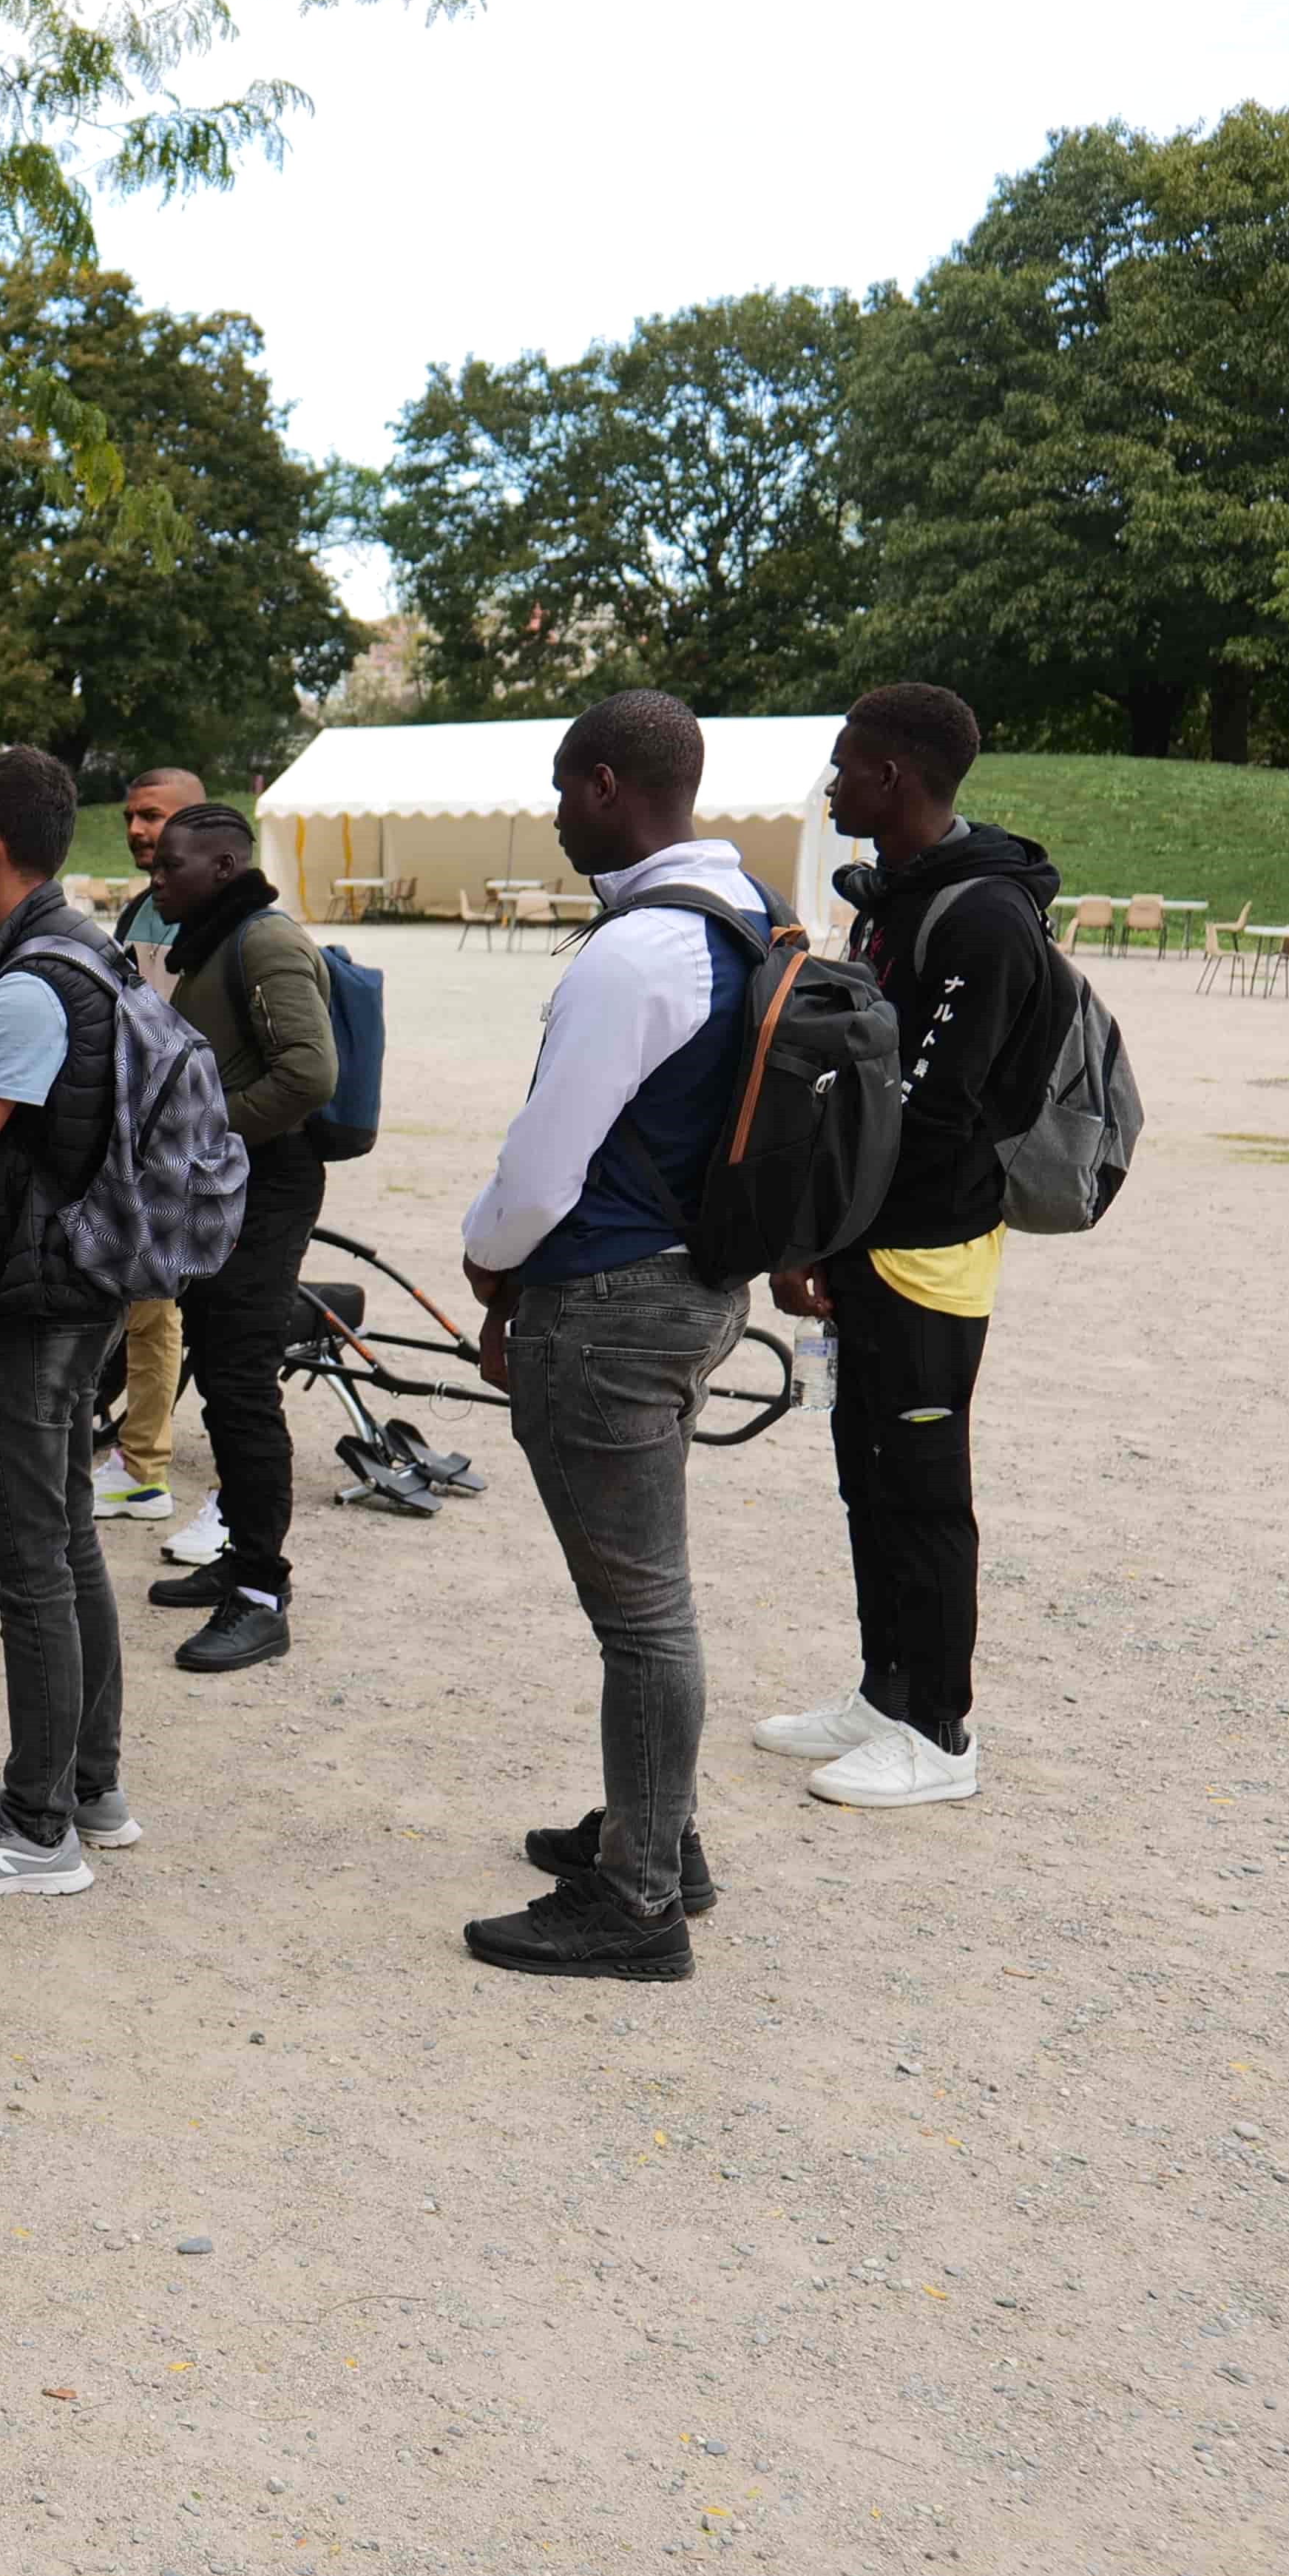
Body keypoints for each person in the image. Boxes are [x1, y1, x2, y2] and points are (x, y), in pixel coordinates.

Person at [455, 691, 770, 1984]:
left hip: (611, 1300)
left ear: (601, 785)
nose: (548, 812)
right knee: (649, 1602)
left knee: (643, 1617)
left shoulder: (638, 951)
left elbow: (543, 1173)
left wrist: (488, 1267)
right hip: (696, 1285)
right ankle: (659, 1832)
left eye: (557, 787)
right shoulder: (747, 915)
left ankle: (641, 1903)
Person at [0, 746, 205, 1895]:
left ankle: (37, 1829)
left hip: (25, 1304)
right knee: (68, 1539)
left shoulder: (28, 984)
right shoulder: (79, 949)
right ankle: (89, 1785)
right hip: (75, 1286)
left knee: (30, 1562)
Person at [759, 683, 1064, 1813]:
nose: (833, 785)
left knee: (925, 1492)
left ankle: (940, 1733)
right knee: (867, 1477)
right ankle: (885, 1692)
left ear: (894, 776)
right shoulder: (899, 901)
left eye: (844, 767)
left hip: (926, 1253)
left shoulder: (980, 916)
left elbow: (931, 1117)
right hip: (868, 1244)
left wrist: (831, 1243)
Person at [134, 805, 338, 1674]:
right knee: (220, 1377)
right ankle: (241, 1556)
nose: (157, 879)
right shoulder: (215, 938)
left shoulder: (265, 942)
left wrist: (211, 1138)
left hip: (266, 1187)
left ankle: (262, 1592)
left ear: (223, 866)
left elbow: (309, 1072)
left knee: (244, 1384)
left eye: (172, 866)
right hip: (227, 1189)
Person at [94, 766, 211, 1530]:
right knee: (139, 1306)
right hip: (135, 1138)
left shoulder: (210, 912)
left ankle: (146, 1469)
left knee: (158, 1308)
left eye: (155, 817)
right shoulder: (144, 906)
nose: (138, 829)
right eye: (133, 817)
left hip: (184, 1147)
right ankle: (133, 1452)